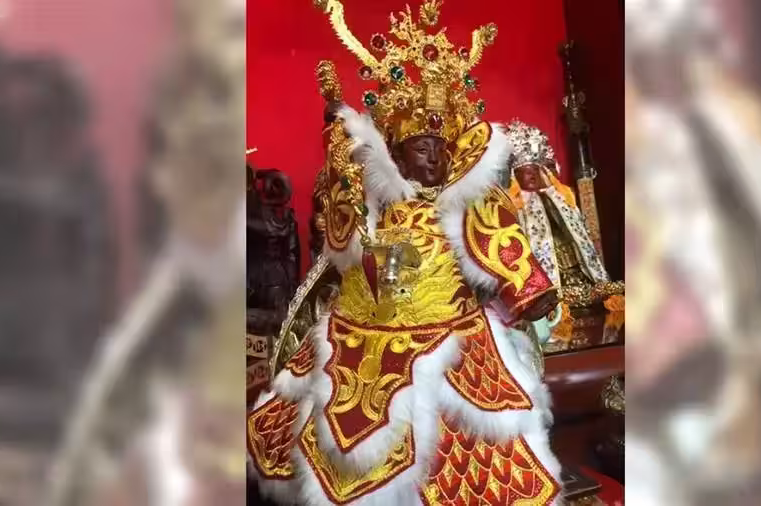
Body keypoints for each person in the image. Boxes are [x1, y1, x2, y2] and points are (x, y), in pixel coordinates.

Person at [248, 1, 564, 504]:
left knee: (482, 435)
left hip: (452, 327)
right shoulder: (377, 199)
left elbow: (501, 242)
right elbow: (344, 237)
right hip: (366, 329)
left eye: (440, 149)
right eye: (421, 148)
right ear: (396, 154)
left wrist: (528, 288)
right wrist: (340, 158)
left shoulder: (464, 202)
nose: (433, 158)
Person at [506, 120, 622, 344]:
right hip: (549, 285)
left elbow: (582, 239)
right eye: (526, 173)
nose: (533, 177)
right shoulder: (516, 208)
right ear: (514, 176)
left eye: (536, 171)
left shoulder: (560, 198)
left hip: (576, 273)